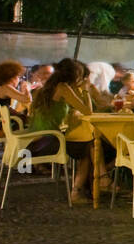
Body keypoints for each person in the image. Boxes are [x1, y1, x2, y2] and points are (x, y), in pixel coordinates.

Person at [26, 58, 97, 202]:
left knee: (86, 144)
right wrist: (85, 90)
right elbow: (88, 112)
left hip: (33, 141)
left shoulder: (48, 87)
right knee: (87, 148)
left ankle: (90, 187)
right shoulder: (63, 88)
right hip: (46, 142)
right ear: (74, 75)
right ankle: (77, 192)